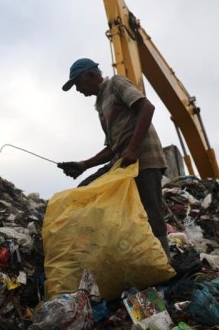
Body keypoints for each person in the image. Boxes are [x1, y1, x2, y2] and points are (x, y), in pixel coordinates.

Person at [58, 57, 171, 259]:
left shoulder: (116, 84)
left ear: (92, 75)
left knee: (150, 209)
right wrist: (83, 165)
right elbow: (113, 147)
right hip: (124, 162)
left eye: (78, 83)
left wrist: (134, 148)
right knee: (86, 191)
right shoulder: (101, 104)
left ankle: (165, 261)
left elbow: (147, 108)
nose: (77, 90)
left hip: (144, 158)